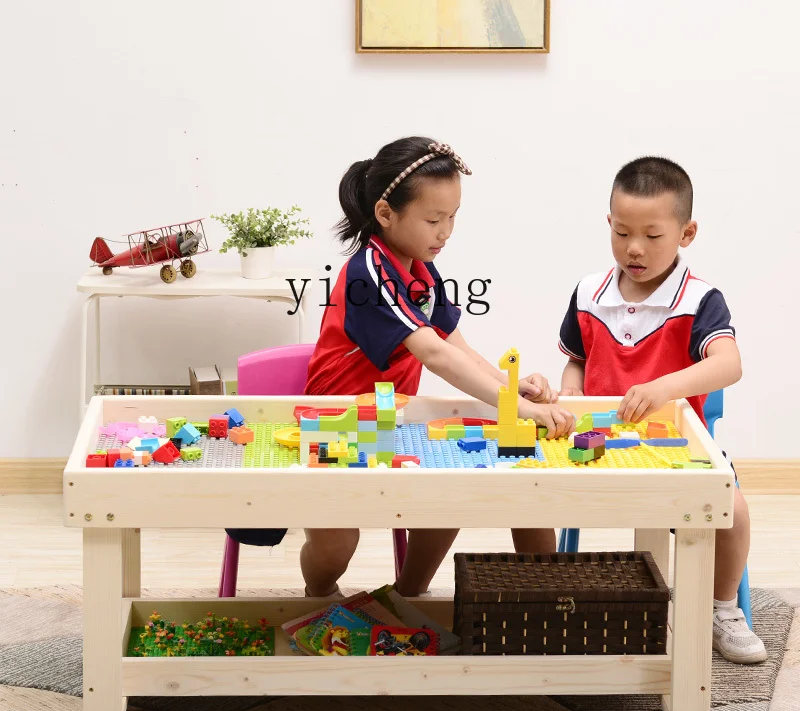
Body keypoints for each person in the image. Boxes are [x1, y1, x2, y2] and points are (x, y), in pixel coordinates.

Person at [302, 135, 573, 598]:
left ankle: (406, 596)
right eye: (433, 219)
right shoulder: (370, 272)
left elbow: (454, 342)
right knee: (336, 546)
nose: (446, 231)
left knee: (449, 494)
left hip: (393, 418)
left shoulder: (422, 269)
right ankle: (319, 594)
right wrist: (516, 410)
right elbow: (435, 354)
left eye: (452, 217)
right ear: (386, 214)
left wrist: (511, 388)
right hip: (337, 423)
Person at [550, 155, 766, 663]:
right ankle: (553, 596)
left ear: (686, 233)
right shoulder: (588, 293)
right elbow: (576, 363)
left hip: (673, 448)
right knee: (529, 492)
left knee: (732, 511)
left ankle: (722, 606)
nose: (634, 248)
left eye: (653, 235)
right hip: (596, 446)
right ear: (608, 224)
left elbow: (728, 364)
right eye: (622, 232)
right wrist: (573, 392)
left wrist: (666, 386)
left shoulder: (700, 299)